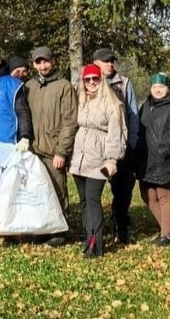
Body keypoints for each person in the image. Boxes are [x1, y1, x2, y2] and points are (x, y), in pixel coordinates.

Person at [69, 64, 126, 258]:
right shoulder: (80, 101)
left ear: (101, 81)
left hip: (99, 158)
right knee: (84, 201)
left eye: (95, 79)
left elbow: (116, 134)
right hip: (79, 158)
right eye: (87, 79)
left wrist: (111, 159)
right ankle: (88, 237)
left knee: (93, 201)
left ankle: (96, 242)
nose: (91, 83)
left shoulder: (112, 104)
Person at [25, 46, 78, 247]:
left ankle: (59, 230)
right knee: (37, 191)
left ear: (53, 61)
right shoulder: (30, 86)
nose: (43, 65)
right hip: (34, 149)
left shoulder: (64, 86)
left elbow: (70, 121)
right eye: (39, 62)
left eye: (46, 61)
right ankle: (41, 227)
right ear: (34, 64)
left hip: (54, 150)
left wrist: (62, 151)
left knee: (57, 190)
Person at [135, 72, 170, 246]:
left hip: (165, 160)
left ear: (168, 88)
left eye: (161, 87)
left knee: (164, 197)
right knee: (147, 195)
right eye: (155, 87)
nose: (157, 90)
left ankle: (166, 235)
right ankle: (168, 228)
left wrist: (163, 151)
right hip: (145, 159)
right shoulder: (146, 105)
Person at [93, 48, 138, 244]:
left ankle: (121, 226)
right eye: (105, 61)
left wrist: (132, 142)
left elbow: (133, 115)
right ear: (95, 63)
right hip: (95, 146)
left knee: (122, 190)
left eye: (112, 61)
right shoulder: (88, 82)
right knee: (93, 191)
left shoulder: (125, 83)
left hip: (120, 144)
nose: (110, 64)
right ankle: (94, 230)